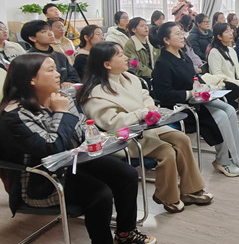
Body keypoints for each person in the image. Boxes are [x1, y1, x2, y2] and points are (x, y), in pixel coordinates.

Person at [0, 53, 156, 244]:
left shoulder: (61, 97)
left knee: (127, 174)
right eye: (50, 70)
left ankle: (125, 233)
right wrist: (61, 113)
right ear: (31, 79)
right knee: (100, 194)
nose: (58, 74)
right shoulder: (15, 115)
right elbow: (52, 147)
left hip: (72, 162)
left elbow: (82, 128)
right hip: (42, 179)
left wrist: (95, 136)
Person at [78, 42, 213, 213]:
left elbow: (145, 96)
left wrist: (150, 107)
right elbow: (111, 123)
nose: (126, 57)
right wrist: (141, 114)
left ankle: (191, 190)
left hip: (148, 127)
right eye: (119, 55)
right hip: (124, 137)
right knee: (166, 151)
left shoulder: (130, 78)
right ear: (107, 64)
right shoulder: (95, 93)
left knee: (182, 139)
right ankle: (167, 195)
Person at [152, 22, 239, 176]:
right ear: (166, 40)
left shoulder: (183, 56)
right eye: (177, 34)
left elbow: (193, 78)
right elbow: (164, 95)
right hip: (180, 107)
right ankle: (223, 160)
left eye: (182, 33)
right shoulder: (162, 64)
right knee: (220, 116)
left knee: (229, 109)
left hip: (197, 100)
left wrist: (203, 86)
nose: (182, 37)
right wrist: (190, 93)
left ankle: (235, 156)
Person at [20, 20, 80, 87]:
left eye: (50, 30)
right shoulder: (29, 60)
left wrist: (68, 82)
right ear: (33, 38)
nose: (50, 33)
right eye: (44, 32)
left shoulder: (60, 56)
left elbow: (74, 76)